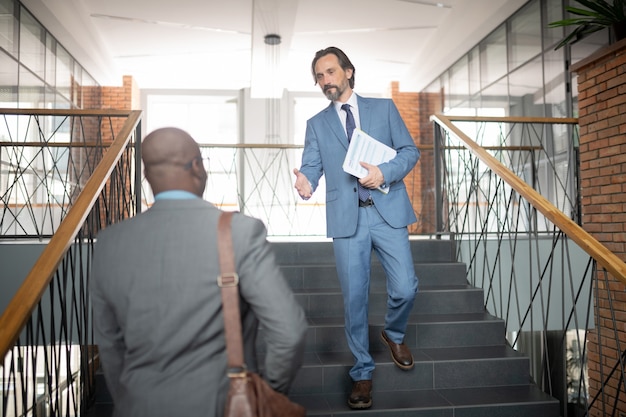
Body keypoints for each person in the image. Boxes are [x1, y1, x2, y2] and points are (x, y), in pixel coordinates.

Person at [91, 127, 307, 417]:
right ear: (197, 167)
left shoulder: (109, 244)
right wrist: (268, 391)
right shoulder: (240, 233)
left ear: (147, 175)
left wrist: (132, 398)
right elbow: (289, 332)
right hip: (222, 405)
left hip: (138, 405)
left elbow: (109, 344)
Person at [293, 46, 419, 410]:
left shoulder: (384, 108)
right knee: (354, 299)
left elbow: (409, 152)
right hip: (348, 219)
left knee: (406, 287)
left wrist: (385, 173)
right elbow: (311, 165)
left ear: (348, 72)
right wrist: (306, 182)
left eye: (330, 72)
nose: (325, 80)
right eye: (319, 76)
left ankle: (394, 333)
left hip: (387, 210)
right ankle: (362, 372)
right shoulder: (316, 123)